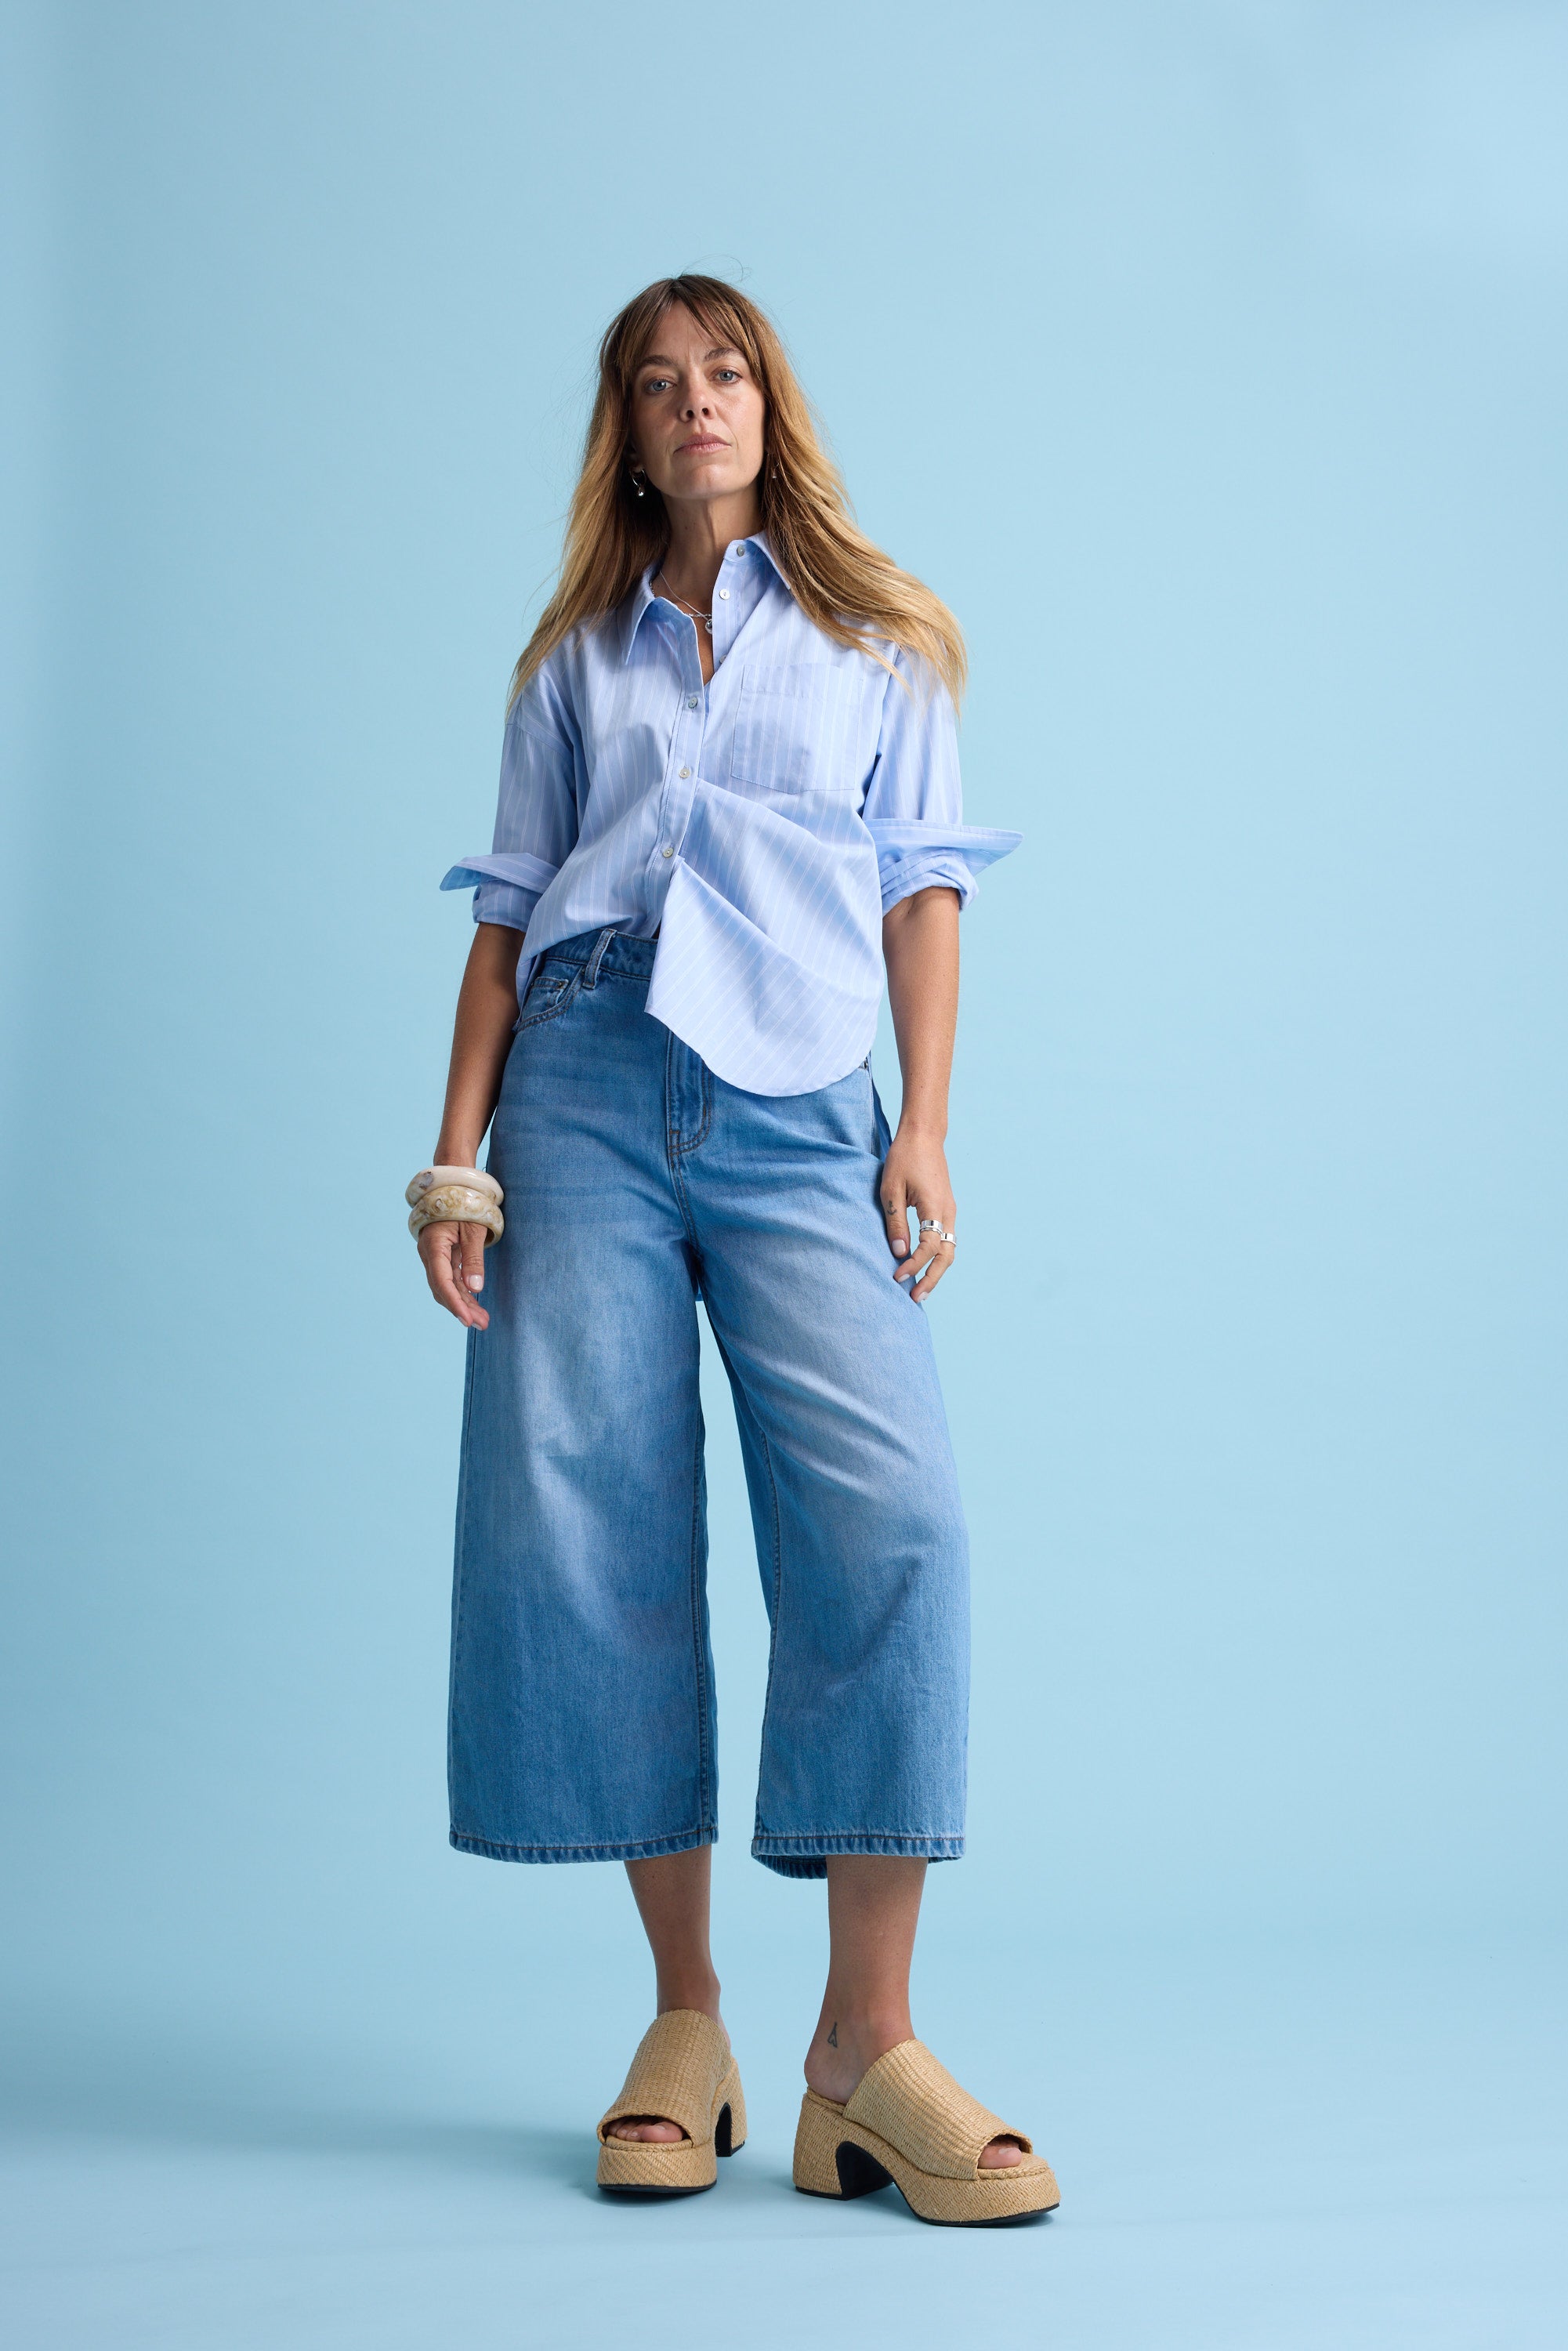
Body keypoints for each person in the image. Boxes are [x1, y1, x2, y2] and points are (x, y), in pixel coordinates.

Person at [409, 275, 1058, 2226]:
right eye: (655, 385)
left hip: (795, 1098)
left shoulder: (880, 639)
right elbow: (512, 913)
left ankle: (863, 2051)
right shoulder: (570, 665)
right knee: (592, 1524)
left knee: (892, 1520)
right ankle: (681, 2019)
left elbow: (921, 885)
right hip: (584, 1080)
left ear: (772, 407)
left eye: (725, 375)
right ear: (623, 429)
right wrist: (455, 1152)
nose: (695, 407)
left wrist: (921, 1125)